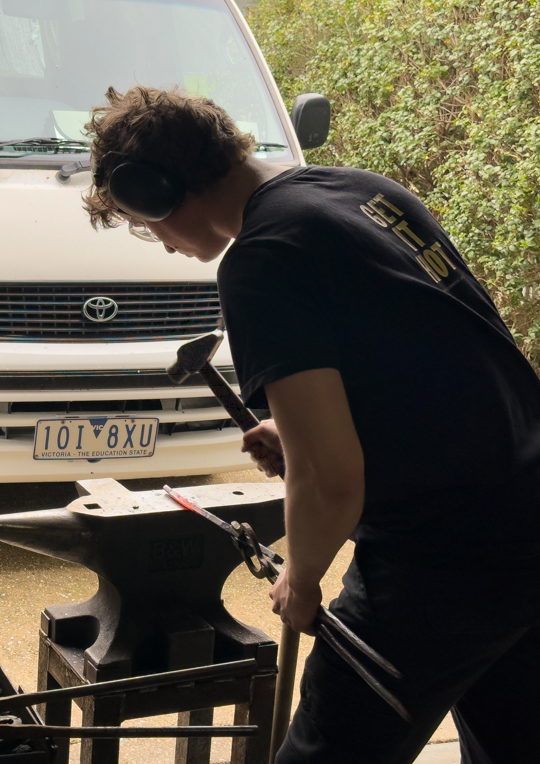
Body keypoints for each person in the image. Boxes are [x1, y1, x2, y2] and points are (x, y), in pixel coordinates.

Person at [84, 85, 540, 763]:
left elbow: (330, 481)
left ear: (152, 189)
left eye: (142, 221)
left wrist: (300, 577)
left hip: (442, 560)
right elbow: (445, 362)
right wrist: (303, 433)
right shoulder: (363, 191)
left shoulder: (263, 258)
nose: (158, 241)